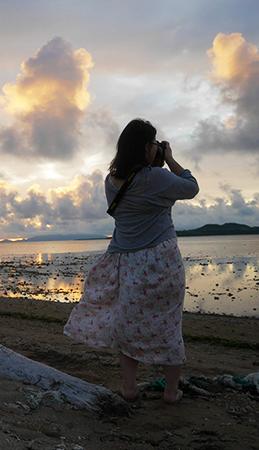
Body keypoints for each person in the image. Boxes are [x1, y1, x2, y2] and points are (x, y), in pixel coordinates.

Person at [64, 118, 199, 403]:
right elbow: (191, 186)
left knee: (129, 326)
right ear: (145, 147)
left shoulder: (110, 183)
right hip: (161, 262)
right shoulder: (157, 179)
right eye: (154, 144)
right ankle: (171, 391)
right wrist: (171, 159)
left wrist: (154, 161)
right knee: (168, 326)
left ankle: (129, 387)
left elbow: (137, 189)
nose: (157, 149)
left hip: (127, 265)